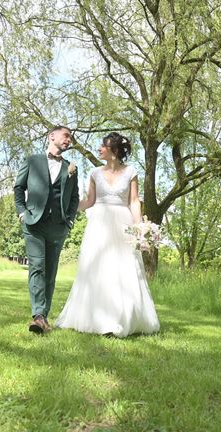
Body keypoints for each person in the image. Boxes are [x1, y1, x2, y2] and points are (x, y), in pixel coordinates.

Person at [55, 132, 160, 338]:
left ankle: (121, 318)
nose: (99, 149)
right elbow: (89, 201)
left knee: (122, 269)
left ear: (114, 150)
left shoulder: (131, 172)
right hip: (99, 225)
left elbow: (134, 201)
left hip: (123, 223)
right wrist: (69, 206)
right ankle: (97, 317)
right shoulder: (94, 173)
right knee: (97, 268)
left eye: (103, 146)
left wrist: (140, 229)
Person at [14, 125, 80, 334]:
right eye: (66, 136)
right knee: (37, 267)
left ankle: (44, 316)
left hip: (58, 226)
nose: (68, 140)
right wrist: (22, 212)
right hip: (33, 223)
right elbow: (19, 187)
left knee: (50, 272)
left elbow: (75, 197)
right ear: (52, 136)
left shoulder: (71, 168)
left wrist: (69, 220)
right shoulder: (32, 161)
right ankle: (39, 316)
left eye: (70, 138)